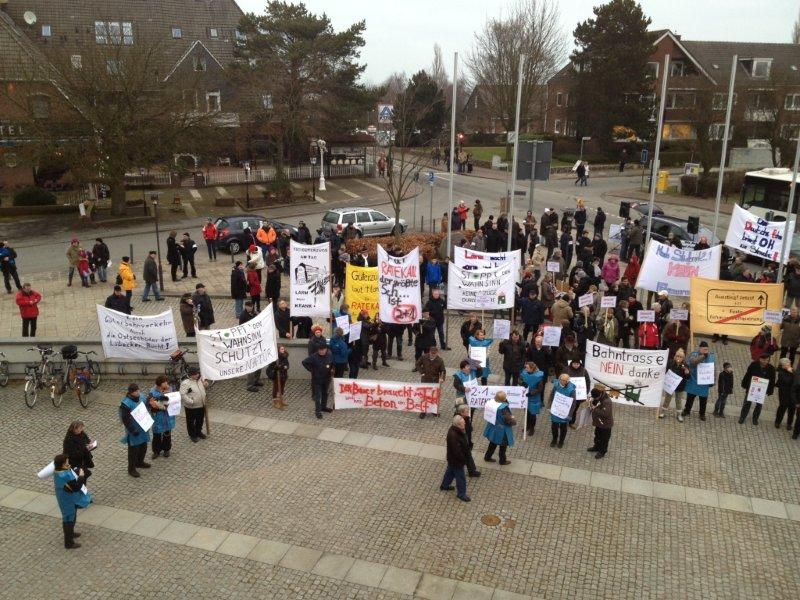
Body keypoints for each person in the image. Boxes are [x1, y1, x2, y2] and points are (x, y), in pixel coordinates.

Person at [53, 453, 92, 549]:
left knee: (71, 516)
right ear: (62, 464)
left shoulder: (59, 470)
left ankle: (70, 533)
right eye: (66, 462)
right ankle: (69, 542)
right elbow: (76, 487)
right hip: (67, 499)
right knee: (69, 518)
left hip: (66, 497)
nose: (68, 462)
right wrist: (81, 476)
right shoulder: (64, 475)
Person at [119, 383, 151, 477]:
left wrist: (150, 401)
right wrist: (132, 430)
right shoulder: (126, 403)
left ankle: (140, 462)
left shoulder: (141, 397)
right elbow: (125, 419)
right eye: (136, 391)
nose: (138, 392)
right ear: (131, 393)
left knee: (143, 446)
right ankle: (131, 469)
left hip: (143, 427)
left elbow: (146, 405)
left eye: (138, 390)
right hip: (133, 430)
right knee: (133, 451)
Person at [441, 415, 472, 502]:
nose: (465, 425)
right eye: (463, 424)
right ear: (458, 425)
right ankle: (461, 494)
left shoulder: (456, 430)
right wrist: (464, 459)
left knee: (450, 472)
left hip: (452, 459)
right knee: (461, 477)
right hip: (457, 460)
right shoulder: (454, 435)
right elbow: (457, 452)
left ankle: (445, 485)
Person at [739, 353, 776, 426]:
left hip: (762, 391)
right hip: (751, 388)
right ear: (760, 359)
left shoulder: (771, 369)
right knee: (747, 403)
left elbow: (772, 380)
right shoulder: (753, 365)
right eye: (764, 360)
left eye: (767, 360)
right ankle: (742, 417)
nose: (765, 362)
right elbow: (748, 375)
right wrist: (744, 384)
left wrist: (770, 391)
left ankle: (755, 418)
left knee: (759, 405)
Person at [682, 341, 715, 421]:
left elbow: (713, 368)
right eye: (704, 349)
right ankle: (687, 410)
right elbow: (693, 362)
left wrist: (713, 380)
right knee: (690, 398)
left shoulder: (711, 357)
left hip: (704, 382)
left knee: (703, 400)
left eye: (707, 349)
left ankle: (702, 414)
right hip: (693, 380)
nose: (706, 351)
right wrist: (703, 356)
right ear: (700, 349)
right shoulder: (694, 354)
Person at [302, 344, 334, 419]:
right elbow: (304, 362)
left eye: (323, 350)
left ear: (326, 349)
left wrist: (332, 369)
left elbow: (332, 363)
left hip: (326, 378)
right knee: (318, 396)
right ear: (318, 350)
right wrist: (311, 370)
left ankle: (323, 407)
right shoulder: (313, 356)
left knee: (325, 394)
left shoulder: (329, 355)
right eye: (320, 350)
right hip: (317, 379)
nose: (322, 351)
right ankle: (318, 411)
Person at [483, 391, 515, 465]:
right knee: (503, 445)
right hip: (502, 430)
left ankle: (487, 457)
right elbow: (508, 420)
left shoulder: (491, 403)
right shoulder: (504, 408)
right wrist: (513, 421)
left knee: (493, 443)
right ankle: (502, 460)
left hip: (493, 427)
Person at [148, 375, 176, 459]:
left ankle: (166, 449)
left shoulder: (170, 389)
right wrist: (159, 405)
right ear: (159, 384)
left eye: (166, 381)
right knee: (157, 434)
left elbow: (174, 399)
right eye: (164, 382)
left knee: (167, 433)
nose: (166, 383)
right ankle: (156, 451)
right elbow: (150, 404)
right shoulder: (153, 392)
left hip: (168, 416)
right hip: (158, 416)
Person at [416, 345, 446, 419]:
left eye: (434, 354)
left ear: (436, 353)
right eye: (431, 354)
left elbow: (443, 371)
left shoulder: (440, 360)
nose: (432, 355)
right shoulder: (424, 357)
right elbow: (417, 364)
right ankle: (423, 411)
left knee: (433, 397)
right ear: (429, 352)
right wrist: (421, 372)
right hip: (425, 380)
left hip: (434, 382)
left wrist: (442, 378)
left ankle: (433, 410)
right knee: (424, 397)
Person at [179, 367, 207, 442]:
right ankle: (192, 435)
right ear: (190, 375)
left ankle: (198, 432)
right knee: (191, 421)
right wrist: (191, 401)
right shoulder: (185, 383)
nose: (197, 375)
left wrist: (205, 385)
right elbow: (182, 394)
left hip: (201, 404)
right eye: (195, 374)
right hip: (191, 406)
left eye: (197, 373)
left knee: (200, 420)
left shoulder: (200, 380)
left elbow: (201, 388)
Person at [661, 349, 689, 420]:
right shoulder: (671, 362)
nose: (679, 358)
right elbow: (665, 371)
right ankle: (663, 412)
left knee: (678, 400)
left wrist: (687, 373)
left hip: (680, 386)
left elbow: (688, 377)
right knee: (667, 399)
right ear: (675, 356)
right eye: (677, 356)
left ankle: (679, 414)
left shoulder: (685, 365)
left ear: (683, 358)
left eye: (680, 357)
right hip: (670, 385)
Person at [549, 373, 576, 448]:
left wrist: (570, 414)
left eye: (564, 380)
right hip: (555, 410)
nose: (562, 381)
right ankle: (554, 439)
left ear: (568, 381)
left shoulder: (571, 390)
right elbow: (552, 395)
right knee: (554, 426)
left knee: (563, 428)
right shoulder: (556, 385)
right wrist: (550, 406)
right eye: (561, 380)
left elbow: (573, 403)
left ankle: (561, 441)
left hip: (564, 412)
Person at [587, 384, 613, 458]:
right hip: (599, 422)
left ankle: (602, 452)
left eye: (596, 397)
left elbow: (605, 413)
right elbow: (595, 401)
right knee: (597, 435)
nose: (595, 398)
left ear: (600, 394)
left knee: (604, 439)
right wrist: (591, 401)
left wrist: (594, 408)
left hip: (605, 424)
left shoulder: (607, 402)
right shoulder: (599, 396)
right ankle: (596, 447)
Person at [455, 403, 481, 477]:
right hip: (463, 443)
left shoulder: (466, 418)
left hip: (466, 441)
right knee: (468, 456)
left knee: (468, 456)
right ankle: (472, 471)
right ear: (462, 412)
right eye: (467, 411)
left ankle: (472, 470)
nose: (468, 412)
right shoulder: (460, 421)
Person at [520, 362, 545, 436]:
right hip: (525, 397)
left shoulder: (538, 376)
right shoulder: (524, 373)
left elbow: (540, 388)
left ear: (532, 369)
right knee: (527, 413)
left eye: (527, 368)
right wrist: (522, 383)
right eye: (525, 367)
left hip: (534, 398)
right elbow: (520, 379)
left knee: (532, 415)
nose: (525, 369)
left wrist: (532, 393)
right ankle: (527, 426)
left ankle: (532, 428)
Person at [267, 345, 290, 409]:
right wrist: (278, 366)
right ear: (278, 350)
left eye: (283, 349)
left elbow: (287, 364)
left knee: (282, 387)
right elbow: (271, 367)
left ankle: (281, 400)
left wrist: (286, 367)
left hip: (283, 374)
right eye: (281, 349)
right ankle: (275, 402)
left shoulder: (285, 356)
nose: (283, 350)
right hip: (277, 375)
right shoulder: (275, 358)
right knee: (276, 388)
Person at [775, 358, 795, 430]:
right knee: (782, 408)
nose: (789, 365)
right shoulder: (781, 373)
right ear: (783, 366)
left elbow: (796, 380)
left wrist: (792, 372)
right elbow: (787, 381)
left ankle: (789, 423)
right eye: (787, 364)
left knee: (792, 409)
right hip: (784, 393)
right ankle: (778, 421)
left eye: (789, 363)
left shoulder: (792, 370)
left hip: (792, 394)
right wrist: (791, 373)